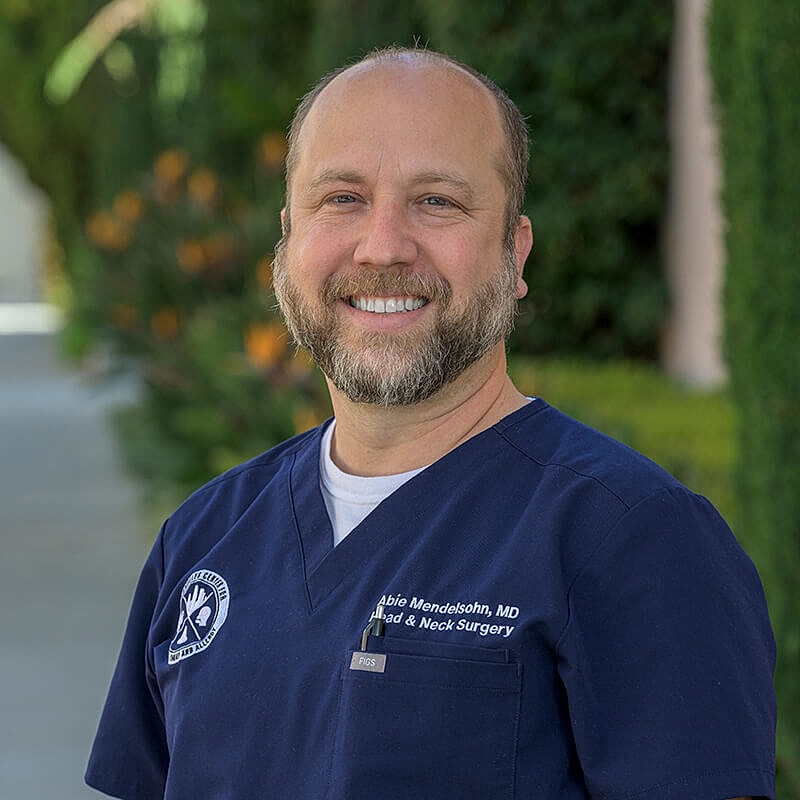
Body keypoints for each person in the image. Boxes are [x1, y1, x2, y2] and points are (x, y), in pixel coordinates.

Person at [86, 46, 776, 800]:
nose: (383, 245)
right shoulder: (204, 538)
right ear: (287, 241)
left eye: (438, 201)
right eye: (342, 198)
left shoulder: (634, 540)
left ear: (514, 252)